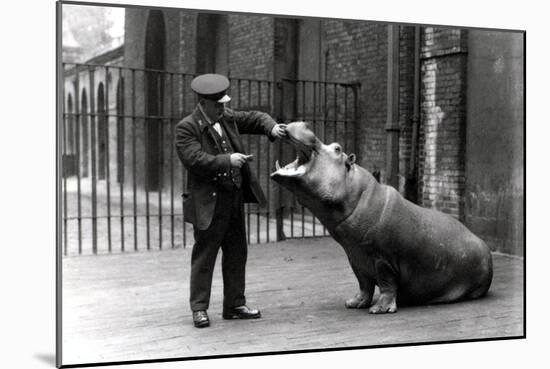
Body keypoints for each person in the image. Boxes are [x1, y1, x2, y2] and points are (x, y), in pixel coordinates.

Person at [175, 73, 287, 328]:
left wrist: (271, 127)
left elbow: (256, 117)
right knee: (205, 256)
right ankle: (199, 309)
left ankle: (235, 304)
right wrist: (229, 160)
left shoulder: (225, 117)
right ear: (203, 103)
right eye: (217, 105)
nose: (223, 108)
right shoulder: (186, 128)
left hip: (233, 198)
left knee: (237, 252)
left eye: (224, 104)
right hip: (208, 203)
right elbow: (194, 160)